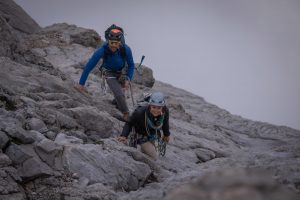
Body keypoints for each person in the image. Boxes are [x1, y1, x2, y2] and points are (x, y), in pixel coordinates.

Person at [76, 25, 135, 121]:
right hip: (109, 73)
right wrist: (81, 84)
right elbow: (89, 66)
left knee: (120, 94)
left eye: (116, 43)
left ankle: (115, 103)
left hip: (122, 73)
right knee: (119, 94)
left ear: (120, 42)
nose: (113, 46)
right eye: (111, 43)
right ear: (108, 41)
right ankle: (126, 114)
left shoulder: (126, 49)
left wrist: (128, 79)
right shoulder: (102, 50)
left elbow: (131, 65)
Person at [117, 92, 171, 160]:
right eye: (153, 107)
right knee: (154, 157)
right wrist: (123, 135)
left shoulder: (165, 111)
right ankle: (140, 155)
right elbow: (129, 123)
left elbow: (165, 123)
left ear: (162, 107)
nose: (156, 110)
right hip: (141, 136)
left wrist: (166, 134)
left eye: (159, 108)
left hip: (154, 134)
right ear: (149, 105)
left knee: (157, 152)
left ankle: (143, 150)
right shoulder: (140, 112)